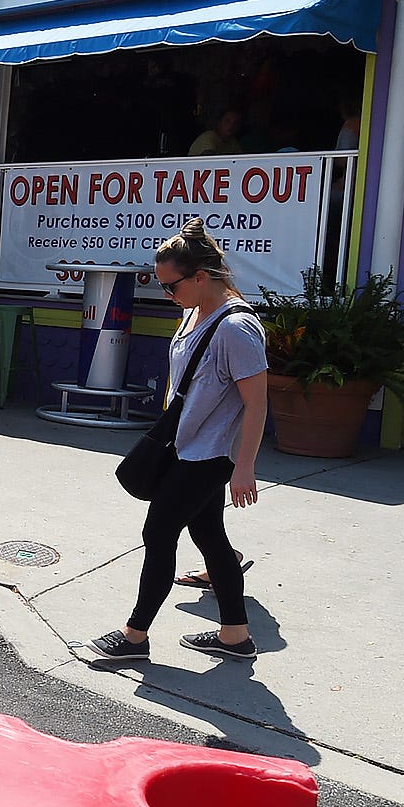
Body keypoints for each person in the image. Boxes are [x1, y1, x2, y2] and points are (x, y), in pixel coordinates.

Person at [87, 218, 266, 664]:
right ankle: (235, 635)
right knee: (210, 536)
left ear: (202, 276)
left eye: (172, 286)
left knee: (158, 531)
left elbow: (257, 404)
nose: (168, 295)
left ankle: (134, 637)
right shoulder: (193, 313)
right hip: (183, 446)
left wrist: (244, 466)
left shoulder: (236, 328)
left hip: (208, 455)